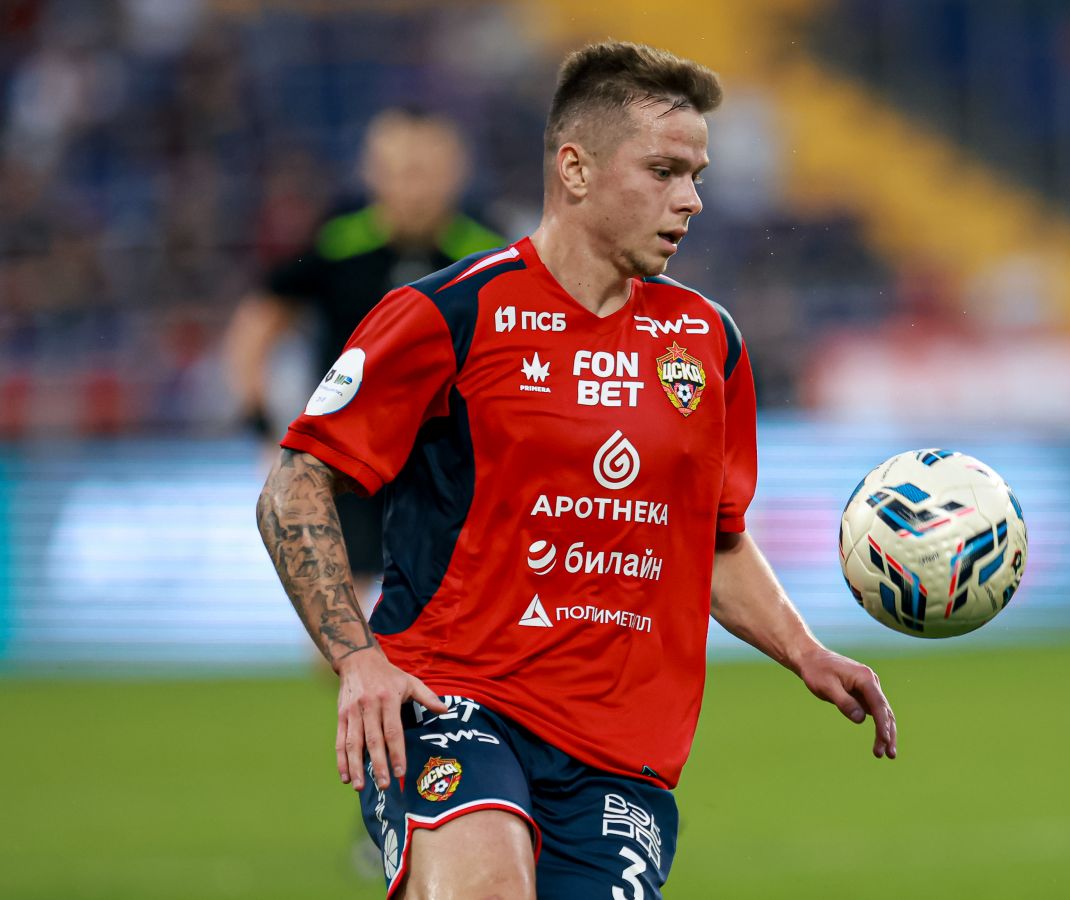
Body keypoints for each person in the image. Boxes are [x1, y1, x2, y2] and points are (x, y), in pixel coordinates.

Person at [256, 40, 896, 899]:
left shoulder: (707, 343)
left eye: (696, 175)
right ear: (576, 169)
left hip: (620, 753)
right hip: (450, 703)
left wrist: (804, 651)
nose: (691, 199)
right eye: (664, 171)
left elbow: (711, 542)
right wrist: (357, 659)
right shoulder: (450, 314)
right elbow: (293, 485)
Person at [229, 106, 503, 602]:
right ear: (372, 172)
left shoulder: (489, 250)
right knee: (337, 612)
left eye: (424, 171)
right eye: (398, 170)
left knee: (449, 612)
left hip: (449, 464)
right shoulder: (336, 240)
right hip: (348, 454)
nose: (412, 187)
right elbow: (260, 321)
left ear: (455, 172)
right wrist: (260, 423)